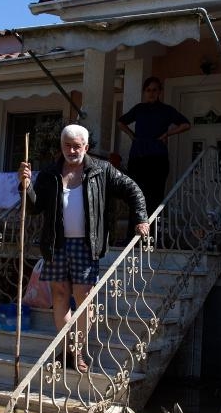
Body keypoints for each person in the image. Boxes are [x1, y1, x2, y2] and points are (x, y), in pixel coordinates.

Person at [18, 124, 149, 372]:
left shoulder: (102, 170)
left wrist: (141, 218)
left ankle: (77, 350)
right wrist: (25, 186)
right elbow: (35, 208)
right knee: (59, 295)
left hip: (86, 244)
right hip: (57, 243)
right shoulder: (50, 173)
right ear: (61, 146)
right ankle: (67, 350)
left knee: (83, 298)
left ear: (86, 147)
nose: (72, 150)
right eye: (67, 145)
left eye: (77, 146)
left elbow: (133, 189)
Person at [117, 76, 191, 213]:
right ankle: (134, 233)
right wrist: (131, 135)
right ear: (144, 92)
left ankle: (152, 232)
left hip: (157, 159)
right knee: (136, 195)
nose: (151, 93)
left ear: (160, 92)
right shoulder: (139, 109)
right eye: (148, 90)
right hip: (137, 158)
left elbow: (185, 124)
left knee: (155, 197)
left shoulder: (166, 110)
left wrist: (168, 134)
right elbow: (121, 122)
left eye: (154, 90)